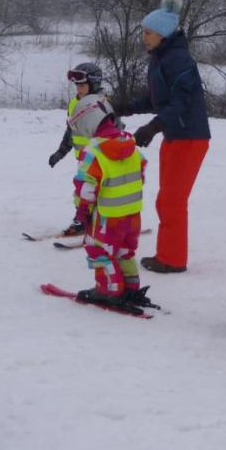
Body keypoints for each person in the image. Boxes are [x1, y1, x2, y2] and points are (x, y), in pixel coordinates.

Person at [114, 0, 210, 274]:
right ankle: (168, 254)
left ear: (163, 33)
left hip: (189, 137)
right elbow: (158, 99)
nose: (143, 37)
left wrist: (154, 126)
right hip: (176, 135)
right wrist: (125, 107)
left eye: (148, 32)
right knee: (166, 198)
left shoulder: (178, 59)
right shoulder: (161, 57)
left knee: (172, 199)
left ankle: (172, 259)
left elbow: (182, 101)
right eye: (143, 32)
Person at [67, 93, 149, 308]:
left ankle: (109, 290)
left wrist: (82, 213)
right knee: (124, 251)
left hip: (107, 217)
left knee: (100, 250)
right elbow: (141, 173)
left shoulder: (93, 152)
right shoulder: (131, 146)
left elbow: (86, 187)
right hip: (132, 214)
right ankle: (131, 287)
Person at [48, 62, 105, 236]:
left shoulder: (102, 103)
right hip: (83, 158)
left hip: (102, 159)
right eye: (77, 85)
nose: (79, 89)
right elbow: (71, 131)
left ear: (93, 84)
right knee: (81, 192)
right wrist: (60, 152)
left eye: (82, 85)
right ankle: (84, 221)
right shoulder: (74, 104)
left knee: (96, 192)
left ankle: (98, 223)